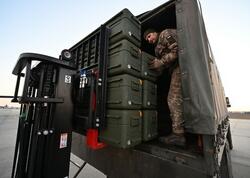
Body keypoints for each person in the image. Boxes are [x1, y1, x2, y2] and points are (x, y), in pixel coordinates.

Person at [144, 28, 185, 147]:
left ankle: (178, 135)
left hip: (180, 66)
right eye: (147, 39)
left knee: (173, 99)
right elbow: (163, 65)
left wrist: (160, 62)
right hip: (174, 70)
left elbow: (177, 51)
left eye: (149, 36)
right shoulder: (157, 49)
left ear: (155, 33)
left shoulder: (164, 34)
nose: (149, 40)